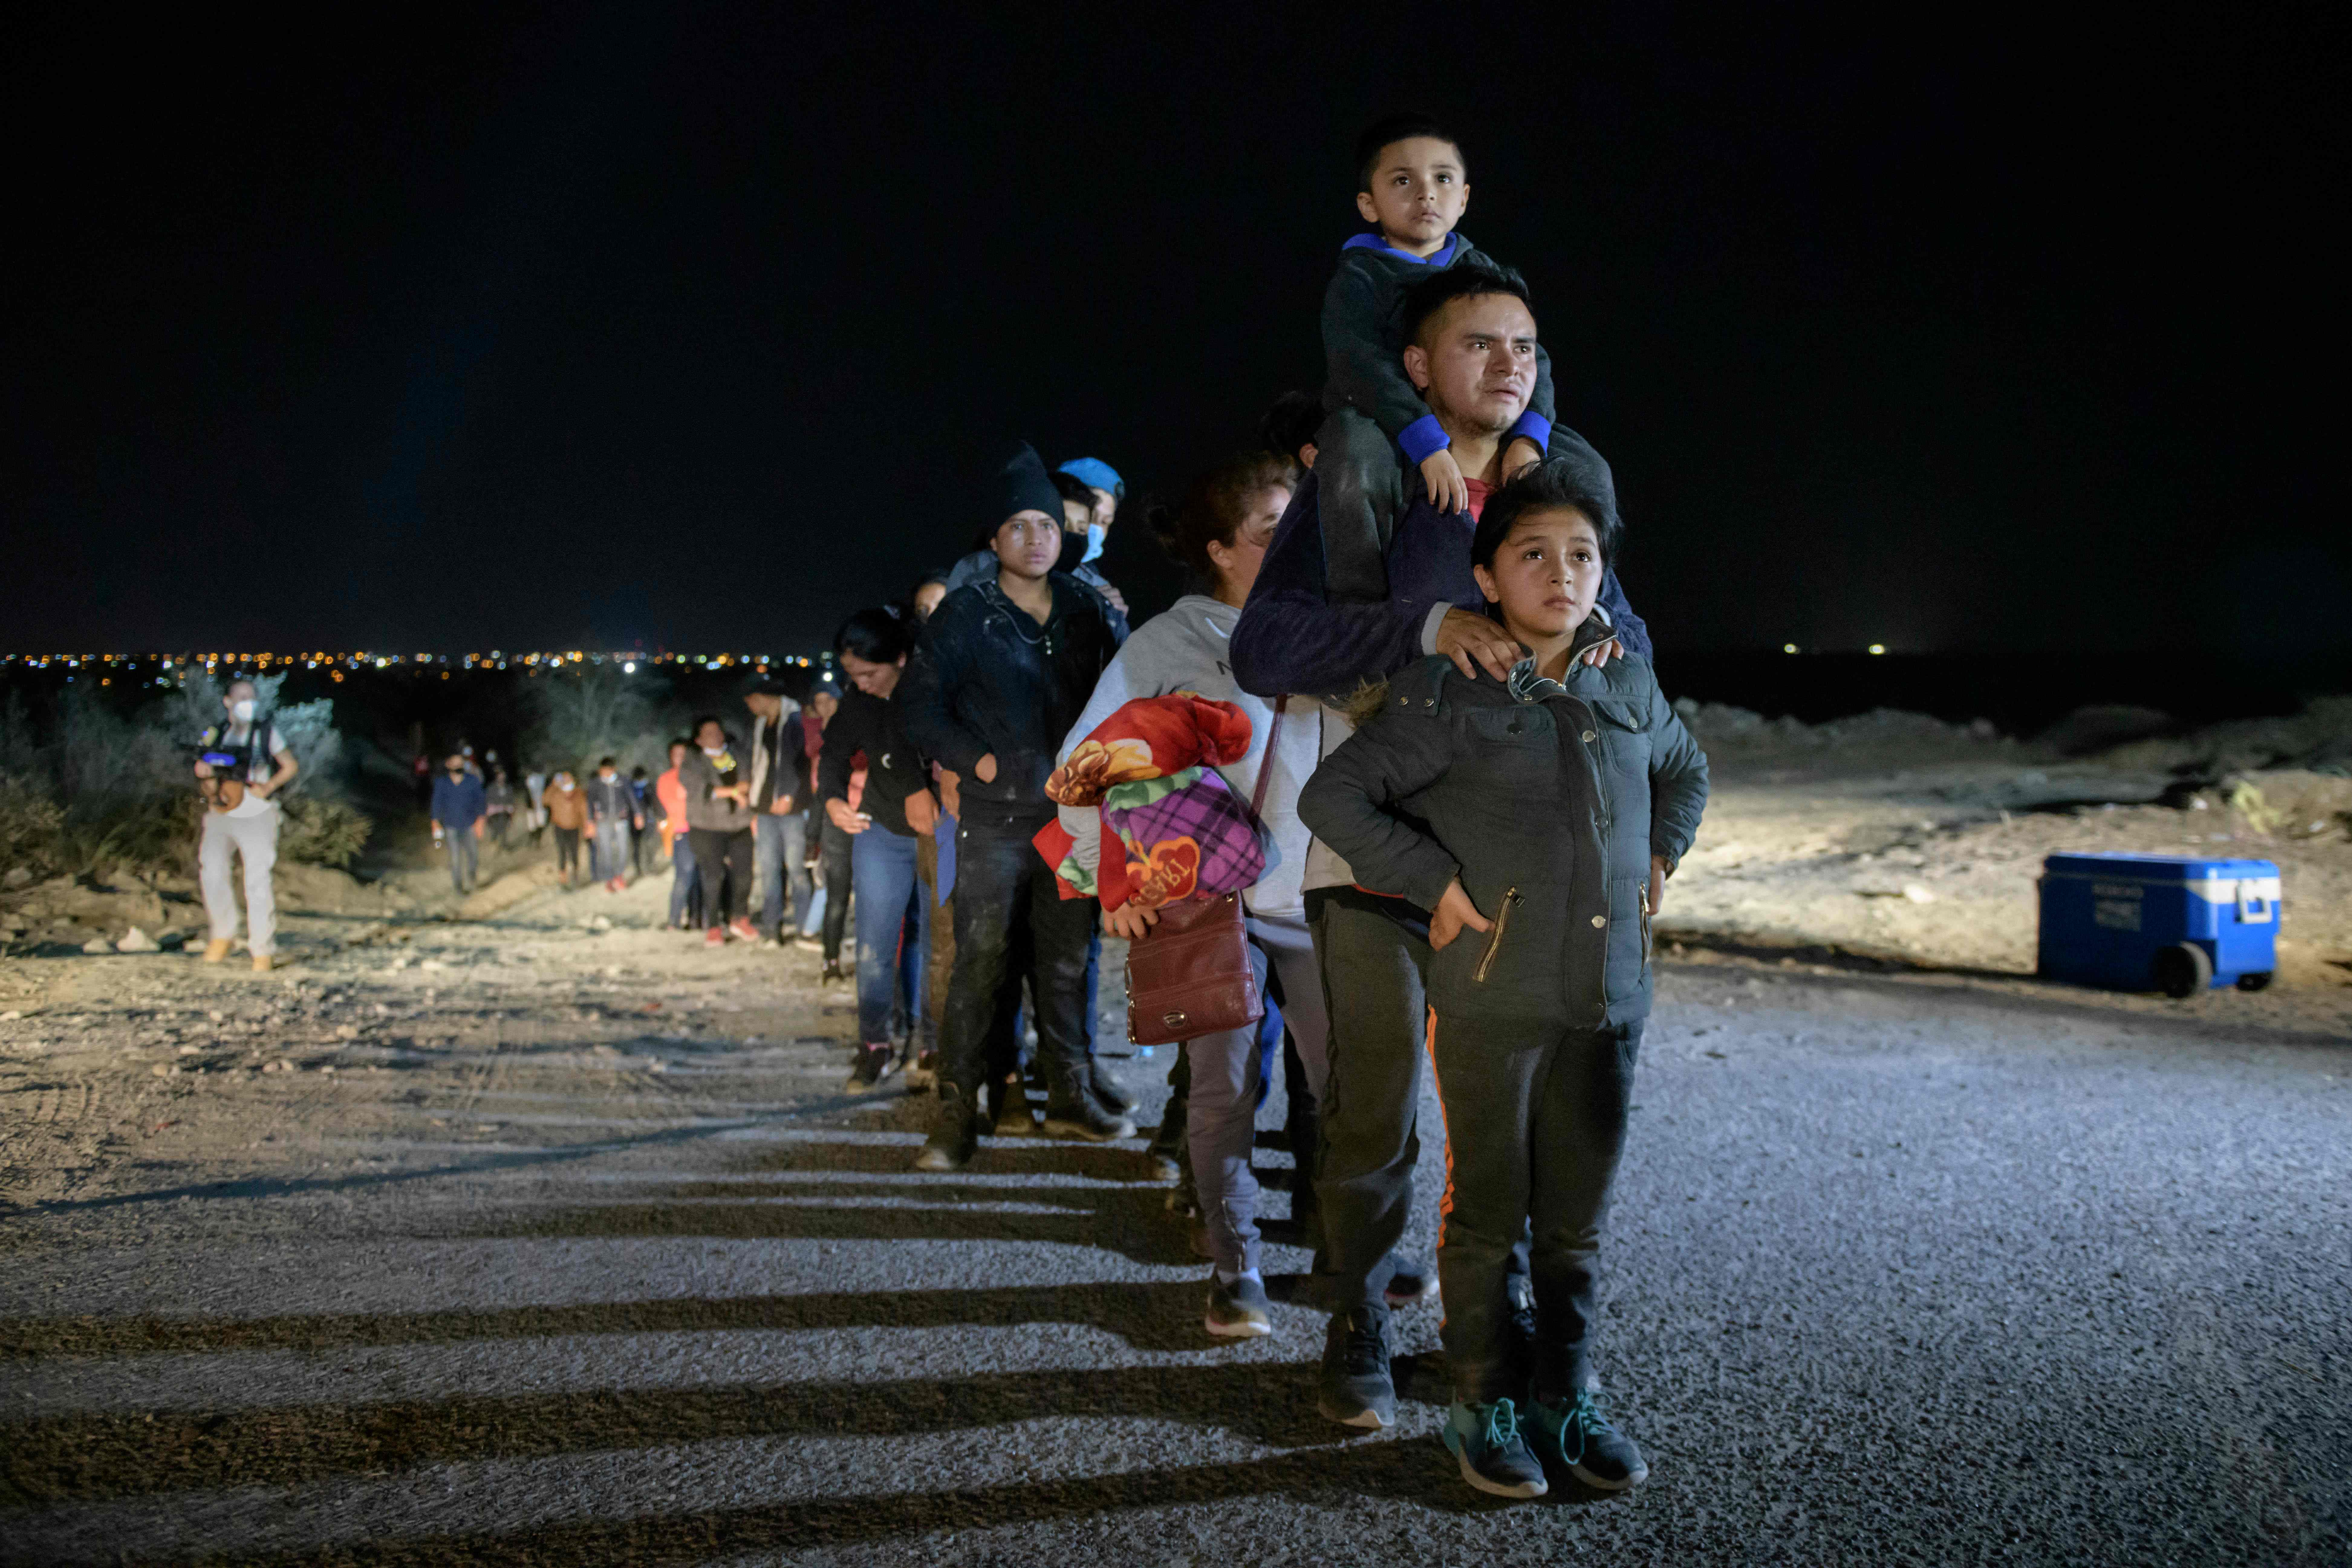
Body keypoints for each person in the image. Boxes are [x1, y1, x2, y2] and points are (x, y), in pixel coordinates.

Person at [1232, 263, 1645, 1433]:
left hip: (1519, 867)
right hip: (1376, 853)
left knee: (1507, 1120)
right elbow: (1266, 648)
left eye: (1523, 344)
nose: (1507, 363)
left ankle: (1490, 1339)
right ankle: (1356, 1317)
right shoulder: (1368, 483)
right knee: (1375, 1112)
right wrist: (1425, 623)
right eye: (1478, 344)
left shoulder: (1552, 491)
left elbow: (1628, 644)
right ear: (1417, 365)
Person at [1300, 461, 1706, 1498]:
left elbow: (1685, 767)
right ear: (1486, 576)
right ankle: (1479, 1396)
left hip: (1610, 999)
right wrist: (1431, 883)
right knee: (1487, 1211)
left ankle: (1563, 1394)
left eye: (1580, 554)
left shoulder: (1623, 676)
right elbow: (1335, 796)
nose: (1561, 572)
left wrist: (1659, 851)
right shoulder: (1446, 688)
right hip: (1490, 994)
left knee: (1574, 1219)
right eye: (1532, 554)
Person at [1057, 451, 1326, 1339]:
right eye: (1268, 532)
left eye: (1300, 529)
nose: (1291, 547)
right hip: (1211, 906)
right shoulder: (1167, 644)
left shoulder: (1334, 629)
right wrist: (1108, 880)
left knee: (1355, 1090)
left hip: (1327, 898)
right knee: (1221, 1096)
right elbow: (1082, 767)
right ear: (1220, 549)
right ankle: (1235, 1265)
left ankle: (1360, 1256)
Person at [900, 441, 1131, 1169]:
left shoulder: (1088, 609)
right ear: (995, 539)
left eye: (1046, 526)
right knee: (981, 962)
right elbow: (919, 707)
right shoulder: (967, 614)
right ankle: (955, 1113)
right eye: (1019, 527)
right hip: (995, 820)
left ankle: (1069, 1096)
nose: (1035, 539)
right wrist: (980, 759)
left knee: (1067, 962)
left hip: (1075, 819)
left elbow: (1122, 696)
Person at [1317, 114, 1564, 604]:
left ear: (1464, 197)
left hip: (1480, 416)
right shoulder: (1359, 280)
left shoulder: (1482, 272)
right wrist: (1426, 441)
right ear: (1368, 204)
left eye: (1442, 178)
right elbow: (1357, 363)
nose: (1425, 194)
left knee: (1584, 466)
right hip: (1388, 421)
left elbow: (1530, 354)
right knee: (1351, 458)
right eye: (1403, 181)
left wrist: (1527, 439)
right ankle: (1358, 605)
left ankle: (1593, 610)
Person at [822, 608, 942, 1091]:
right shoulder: (859, 701)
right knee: (875, 944)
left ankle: (933, 1042)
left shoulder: (933, 685)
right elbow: (833, 752)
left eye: (869, 673)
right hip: (881, 831)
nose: (861, 683)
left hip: (940, 831)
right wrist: (832, 800)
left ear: (900, 657)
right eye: (851, 675)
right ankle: (874, 1043)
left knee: (937, 944)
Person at [191, 676, 297, 972]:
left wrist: (268, 786)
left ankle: (261, 948)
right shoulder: (217, 733)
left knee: (257, 881)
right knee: (211, 870)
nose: (248, 703)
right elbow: (202, 767)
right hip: (221, 808)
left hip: (256, 810)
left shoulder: (266, 733)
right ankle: (223, 934)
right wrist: (205, 776)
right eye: (242, 697)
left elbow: (290, 764)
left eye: (252, 697)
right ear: (228, 701)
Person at [943, 456, 1129, 617]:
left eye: (1104, 522)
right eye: (1063, 522)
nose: (1092, 531)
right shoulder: (979, 569)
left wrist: (1108, 619)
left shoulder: (1096, 587)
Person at [743, 681, 813, 943]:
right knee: (769, 869)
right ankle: (773, 929)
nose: (750, 708)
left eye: (750, 702)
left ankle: (806, 927)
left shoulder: (795, 719)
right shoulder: (763, 723)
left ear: (761, 696)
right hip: (764, 806)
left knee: (797, 869)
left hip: (792, 807)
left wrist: (788, 794)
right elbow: (761, 762)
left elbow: (800, 761)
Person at [679, 715, 758, 944]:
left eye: (718, 731)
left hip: (739, 824)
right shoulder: (692, 760)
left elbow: (747, 775)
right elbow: (701, 789)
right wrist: (733, 792)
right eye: (709, 733)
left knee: (745, 873)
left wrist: (743, 786)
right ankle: (713, 926)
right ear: (699, 739)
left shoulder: (736, 754)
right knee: (713, 877)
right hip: (707, 827)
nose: (715, 736)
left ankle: (740, 918)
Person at [802, 686, 853, 976]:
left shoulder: (849, 732)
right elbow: (823, 793)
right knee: (837, 894)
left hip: (868, 819)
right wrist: (813, 836)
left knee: (845, 895)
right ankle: (831, 959)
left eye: (828, 701)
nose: (822, 706)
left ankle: (836, 958)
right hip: (835, 820)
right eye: (817, 701)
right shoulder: (828, 743)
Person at [654, 739, 701, 930]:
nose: (681, 758)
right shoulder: (666, 779)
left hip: (702, 830)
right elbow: (670, 805)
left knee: (701, 877)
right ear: (671, 758)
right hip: (681, 832)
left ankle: (698, 919)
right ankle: (674, 920)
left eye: (685, 755)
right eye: (677, 755)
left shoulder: (698, 776)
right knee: (685, 875)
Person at [429, 751, 487, 894]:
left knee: (473, 855)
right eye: (455, 763)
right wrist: (435, 821)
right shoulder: (442, 783)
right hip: (451, 827)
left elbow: (481, 801)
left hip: (470, 825)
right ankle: (458, 888)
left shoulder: (472, 781)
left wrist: (481, 820)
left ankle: (472, 879)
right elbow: (437, 802)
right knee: (455, 859)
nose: (458, 766)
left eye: (460, 763)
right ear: (448, 765)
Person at [585, 756, 640, 893]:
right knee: (606, 851)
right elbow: (590, 803)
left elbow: (632, 798)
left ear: (614, 769)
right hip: (604, 821)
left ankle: (619, 876)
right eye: (603, 771)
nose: (606, 774)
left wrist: (638, 814)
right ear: (600, 770)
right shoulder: (596, 783)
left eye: (609, 771)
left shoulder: (623, 781)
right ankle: (609, 879)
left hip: (621, 820)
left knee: (623, 849)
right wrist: (590, 821)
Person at [543, 768, 588, 886]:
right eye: (565, 779)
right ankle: (563, 876)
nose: (567, 781)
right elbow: (545, 801)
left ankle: (576, 874)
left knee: (574, 851)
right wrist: (553, 786)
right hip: (560, 827)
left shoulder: (579, 793)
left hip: (574, 827)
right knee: (562, 851)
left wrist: (587, 826)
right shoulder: (556, 793)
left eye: (569, 779)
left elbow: (584, 811)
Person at [628, 765, 654, 876]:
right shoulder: (630, 789)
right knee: (636, 845)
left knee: (649, 843)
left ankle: (649, 866)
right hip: (634, 820)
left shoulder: (649, 787)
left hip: (648, 819)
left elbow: (653, 802)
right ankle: (638, 868)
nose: (641, 781)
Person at [484, 766, 517, 849]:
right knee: (498, 825)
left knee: (503, 823)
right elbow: (489, 801)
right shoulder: (491, 788)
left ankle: (503, 844)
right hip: (494, 813)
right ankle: (496, 839)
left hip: (505, 813)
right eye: (500, 775)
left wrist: (509, 808)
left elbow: (511, 801)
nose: (502, 777)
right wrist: (500, 807)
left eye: (503, 775)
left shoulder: (508, 788)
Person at [523, 766, 548, 847]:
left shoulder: (543, 779)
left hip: (541, 804)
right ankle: (532, 840)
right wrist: (530, 803)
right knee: (532, 823)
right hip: (532, 805)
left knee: (540, 822)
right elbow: (527, 793)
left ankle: (537, 840)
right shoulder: (530, 779)